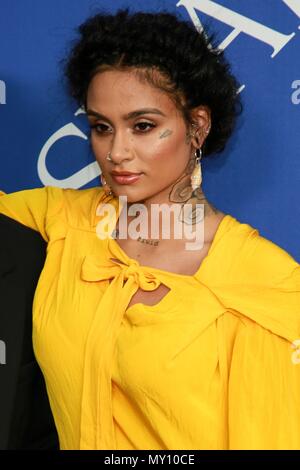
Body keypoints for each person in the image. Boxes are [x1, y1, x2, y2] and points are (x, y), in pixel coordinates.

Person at [0, 8, 299, 450]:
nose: (117, 151)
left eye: (143, 126)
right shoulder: (61, 219)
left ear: (196, 126)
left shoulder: (266, 284)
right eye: (101, 128)